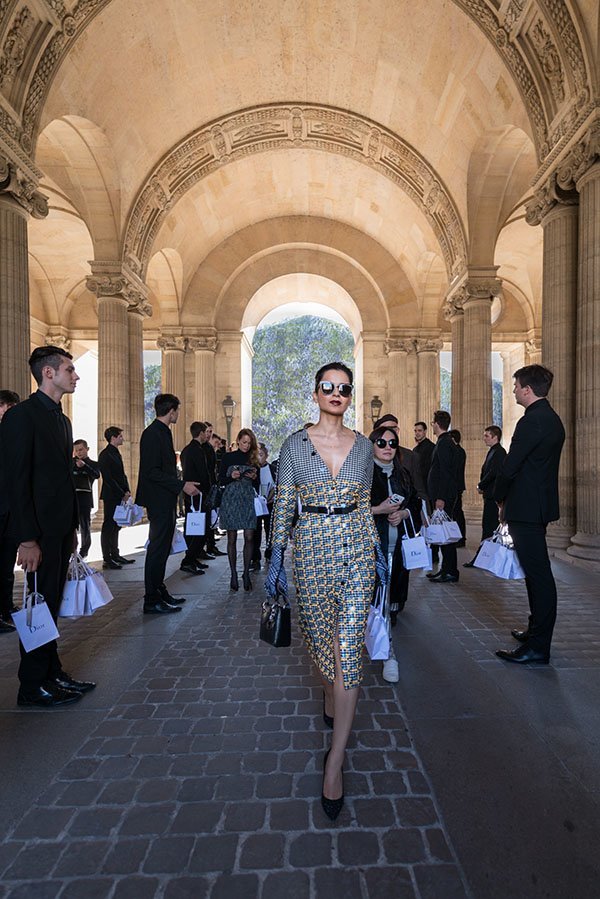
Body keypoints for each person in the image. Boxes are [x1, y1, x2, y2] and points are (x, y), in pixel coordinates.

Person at [266, 362, 386, 821]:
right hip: (311, 548)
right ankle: (328, 691)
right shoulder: (294, 445)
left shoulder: (363, 448)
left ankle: (334, 761)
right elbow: (282, 506)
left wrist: (376, 551)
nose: (336, 393)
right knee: (324, 650)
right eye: (328, 387)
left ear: (350, 395)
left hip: (355, 548)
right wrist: (277, 557)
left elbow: (363, 504)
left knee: (349, 650)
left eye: (344, 388)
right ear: (316, 393)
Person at [0, 346, 95, 707]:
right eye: (70, 369)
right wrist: (26, 539)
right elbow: (16, 480)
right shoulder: (21, 416)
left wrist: (71, 529)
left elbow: (61, 480)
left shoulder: (62, 419)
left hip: (58, 531)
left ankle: (51, 672)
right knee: (36, 606)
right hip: (35, 533)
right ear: (48, 373)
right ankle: (31, 684)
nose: (76, 375)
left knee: (50, 604)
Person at [494, 365, 565, 665]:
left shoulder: (531, 421)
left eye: (516, 386)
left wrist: (498, 498)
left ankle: (538, 646)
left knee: (538, 576)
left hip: (525, 507)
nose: (512, 391)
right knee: (537, 574)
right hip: (537, 505)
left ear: (527, 389)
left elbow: (511, 466)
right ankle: (535, 632)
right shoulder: (551, 419)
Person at [135, 394, 200, 614]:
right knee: (157, 549)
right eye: (177, 410)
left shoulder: (162, 432)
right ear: (171, 410)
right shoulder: (152, 434)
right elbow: (152, 472)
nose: (178, 414)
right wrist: (181, 485)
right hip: (158, 500)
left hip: (165, 499)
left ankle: (159, 590)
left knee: (162, 549)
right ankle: (151, 599)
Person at [370, 426, 421, 683]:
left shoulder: (403, 474)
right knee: (372, 603)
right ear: (372, 445)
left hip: (397, 550)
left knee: (389, 604)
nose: (388, 447)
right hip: (370, 551)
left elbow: (414, 503)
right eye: (381, 442)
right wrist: (378, 510)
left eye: (392, 442)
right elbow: (352, 510)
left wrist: (404, 513)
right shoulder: (363, 475)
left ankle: (389, 653)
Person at [219, 428, 259, 591]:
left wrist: (254, 478)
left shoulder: (253, 459)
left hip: (248, 499)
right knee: (232, 538)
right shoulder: (228, 457)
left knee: (250, 536)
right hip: (231, 499)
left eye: (249, 443)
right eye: (244, 442)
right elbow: (220, 479)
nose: (246, 446)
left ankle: (246, 573)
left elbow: (257, 485)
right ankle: (234, 574)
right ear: (238, 441)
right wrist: (231, 477)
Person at [464, 425, 507, 568]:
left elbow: (494, 473)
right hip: (490, 496)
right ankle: (485, 559)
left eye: (487, 436)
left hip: (493, 496)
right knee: (488, 527)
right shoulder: (493, 451)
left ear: (495, 437)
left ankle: (482, 559)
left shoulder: (499, 452)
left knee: (489, 528)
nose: (484, 438)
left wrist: (481, 485)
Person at [427, 409, 460, 583]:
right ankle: (446, 569)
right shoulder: (445, 442)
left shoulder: (445, 443)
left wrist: (440, 497)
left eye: (432, 422)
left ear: (437, 424)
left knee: (446, 535)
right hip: (443, 496)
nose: (431, 425)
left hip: (443, 497)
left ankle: (450, 571)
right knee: (444, 534)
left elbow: (446, 472)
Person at [98, 426, 134, 569]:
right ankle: (107, 558)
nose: (122, 438)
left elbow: (121, 474)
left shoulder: (115, 452)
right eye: (120, 436)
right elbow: (108, 478)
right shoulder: (105, 454)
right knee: (108, 525)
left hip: (119, 494)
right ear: (113, 438)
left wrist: (127, 490)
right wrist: (121, 493)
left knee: (116, 525)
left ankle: (115, 554)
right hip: (111, 495)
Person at [179, 421, 212, 575]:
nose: (208, 435)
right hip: (198, 494)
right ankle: (188, 560)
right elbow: (203, 473)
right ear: (200, 433)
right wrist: (208, 490)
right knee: (201, 529)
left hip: (190, 493)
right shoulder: (197, 450)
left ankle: (192, 558)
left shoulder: (186, 450)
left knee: (193, 528)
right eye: (206, 432)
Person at [0, 389, 20, 633]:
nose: (6, 410)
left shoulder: (12, 436)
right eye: (3, 406)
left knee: (6, 564)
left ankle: (6, 607)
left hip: (9, 508)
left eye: (10, 406)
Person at [372, 413, 427, 499]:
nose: (389, 432)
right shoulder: (365, 460)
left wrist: (407, 511)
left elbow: (420, 493)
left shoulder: (411, 457)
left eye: (393, 429)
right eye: (384, 429)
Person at [72, 439, 100, 558]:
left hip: (85, 497)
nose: (79, 452)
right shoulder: (70, 462)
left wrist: (85, 466)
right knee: (70, 524)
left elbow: (96, 475)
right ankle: (71, 549)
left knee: (85, 525)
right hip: (71, 497)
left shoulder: (93, 464)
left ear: (87, 449)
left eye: (81, 449)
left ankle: (84, 551)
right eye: (76, 450)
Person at [251, 443, 276, 570]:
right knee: (255, 532)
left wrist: (270, 498)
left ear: (266, 456)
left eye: (261, 455)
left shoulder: (272, 469)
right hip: (256, 504)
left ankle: (269, 552)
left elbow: (275, 485)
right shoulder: (252, 470)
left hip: (269, 504)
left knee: (269, 529)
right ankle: (255, 557)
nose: (259, 458)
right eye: (256, 455)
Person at [448, 429, 467, 547]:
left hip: (455, 485)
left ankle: (460, 538)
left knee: (457, 513)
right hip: (457, 485)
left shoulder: (457, 451)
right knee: (456, 512)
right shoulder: (459, 451)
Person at [413, 421, 435, 487]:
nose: (417, 433)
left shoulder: (432, 447)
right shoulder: (415, 449)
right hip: (417, 485)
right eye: (415, 431)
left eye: (419, 431)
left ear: (425, 431)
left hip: (428, 485)